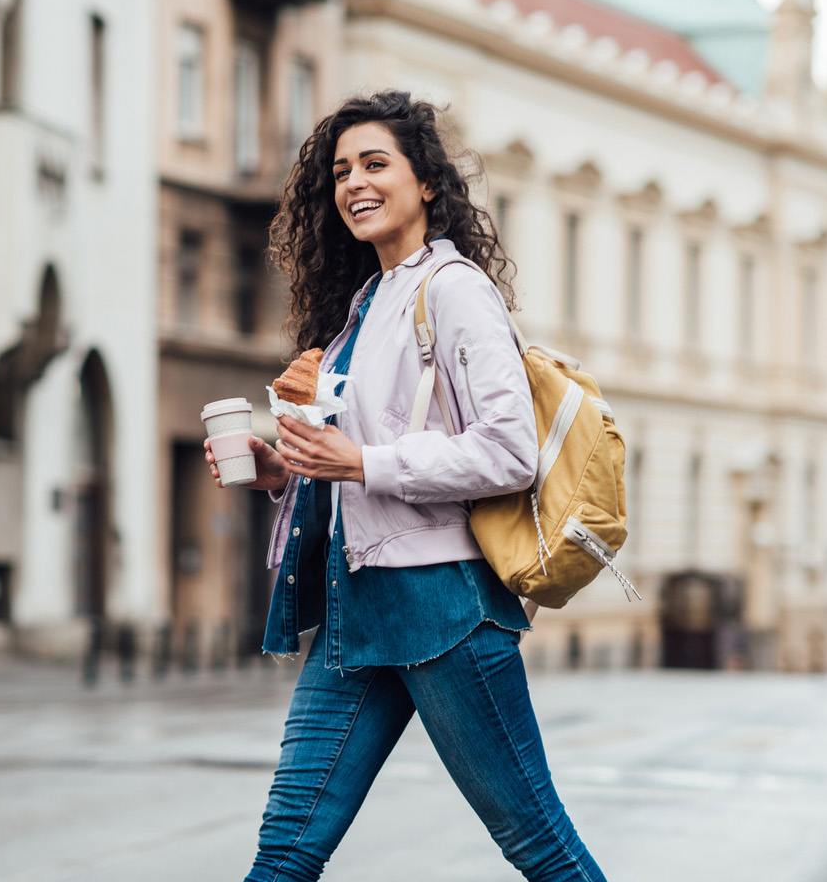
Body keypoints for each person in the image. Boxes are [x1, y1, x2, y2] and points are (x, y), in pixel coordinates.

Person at [204, 90, 607, 881]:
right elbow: (356, 463)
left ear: (426, 182)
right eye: (340, 172)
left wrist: (361, 462)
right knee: (286, 850)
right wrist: (286, 471)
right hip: (356, 608)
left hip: (442, 608)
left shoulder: (455, 290)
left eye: (374, 164)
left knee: (537, 842)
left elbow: (509, 453)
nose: (354, 182)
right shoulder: (365, 303)